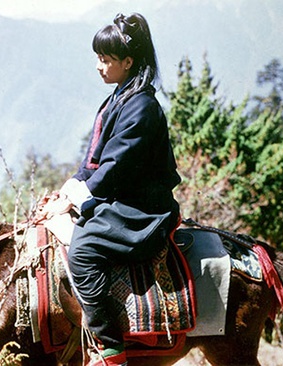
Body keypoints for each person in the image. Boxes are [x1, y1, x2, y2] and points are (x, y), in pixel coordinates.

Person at [39, 12, 181, 366]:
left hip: (142, 209)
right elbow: (94, 162)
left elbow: (114, 169)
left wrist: (80, 201)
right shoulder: (120, 98)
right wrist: (67, 192)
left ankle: (109, 348)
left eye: (105, 60)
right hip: (120, 198)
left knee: (83, 249)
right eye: (99, 58)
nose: (99, 67)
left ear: (128, 61)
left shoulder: (142, 108)